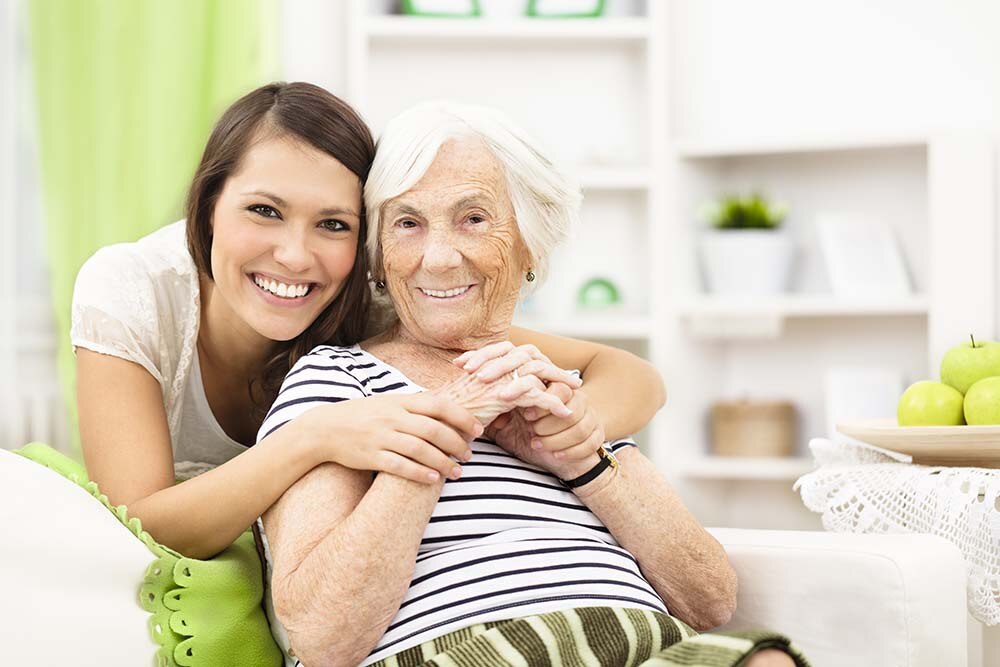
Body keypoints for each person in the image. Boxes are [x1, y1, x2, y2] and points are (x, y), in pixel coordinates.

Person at [259, 102, 808, 667]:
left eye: (473, 219)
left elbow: (711, 600)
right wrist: (447, 427)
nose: (439, 258)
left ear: (531, 244)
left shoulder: (561, 390)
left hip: (644, 647)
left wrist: (580, 457)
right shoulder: (336, 380)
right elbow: (321, 636)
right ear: (377, 255)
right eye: (407, 223)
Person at [70, 82, 667, 559]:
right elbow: (135, 525)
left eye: (333, 224)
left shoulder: (377, 298)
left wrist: (568, 434)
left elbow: (631, 375)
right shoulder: (130, 288)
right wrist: (313, 436)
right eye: (263, 211)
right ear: (206, 209)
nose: (295, 255)